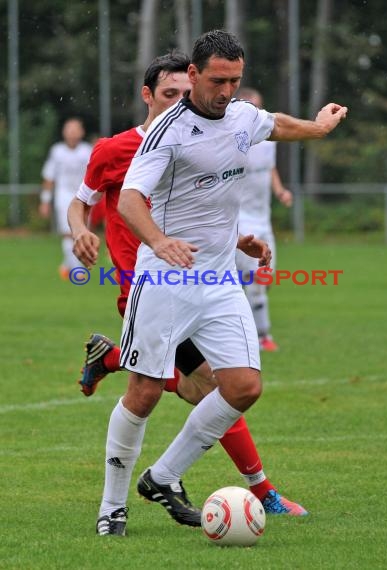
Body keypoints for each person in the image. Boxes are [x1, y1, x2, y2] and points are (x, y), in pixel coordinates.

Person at [110, 29, 347, 537]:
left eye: (235, 80)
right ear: (193, 75)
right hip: (165, 277)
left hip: (218, 280)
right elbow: (131, 199)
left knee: (243, 386)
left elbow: (273, 124)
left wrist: (317, 128)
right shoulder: (167, 132)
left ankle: (163, 476)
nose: (226, 91)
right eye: (218, 80)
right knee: (144, 391)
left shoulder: (240, 113)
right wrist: (159, 241)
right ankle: (112, 509)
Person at [67, 51, 308, 536]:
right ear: (147, 96)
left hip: (203, 281)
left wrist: (236, 239)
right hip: (147, 284)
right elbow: (82, 202)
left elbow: (204, 205)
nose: (180, 100)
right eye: (168, 93)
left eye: (183, 92)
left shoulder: (203, 136)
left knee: (223, 387)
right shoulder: (118, 149)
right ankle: (239, 490)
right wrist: (80, 231)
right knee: (182, 389)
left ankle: (115, 366)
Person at [235, 87, 293, 352]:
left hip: (263, 219)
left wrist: (279, 190)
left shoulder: (268, 138)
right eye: (250, 107)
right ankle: (260, 336)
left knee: (265, 277)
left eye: (258, 107)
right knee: (254, 279)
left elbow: (269, 169)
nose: (255, 112)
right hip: (241, 219)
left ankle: (244, 329)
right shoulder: (233, 140)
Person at [39, 118, 92, 280]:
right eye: (69, 129)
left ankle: (66, 265)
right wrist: (45, 200)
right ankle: (78, 270)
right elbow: (49, 177)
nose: (72, 133)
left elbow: (94, 174)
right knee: (68, 233)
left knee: (81, 233)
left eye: (75, 129)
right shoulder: (57, 151)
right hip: (64, 196)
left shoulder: (87, 150)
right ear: (64, 132)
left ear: (81, 132)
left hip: (83, 196)